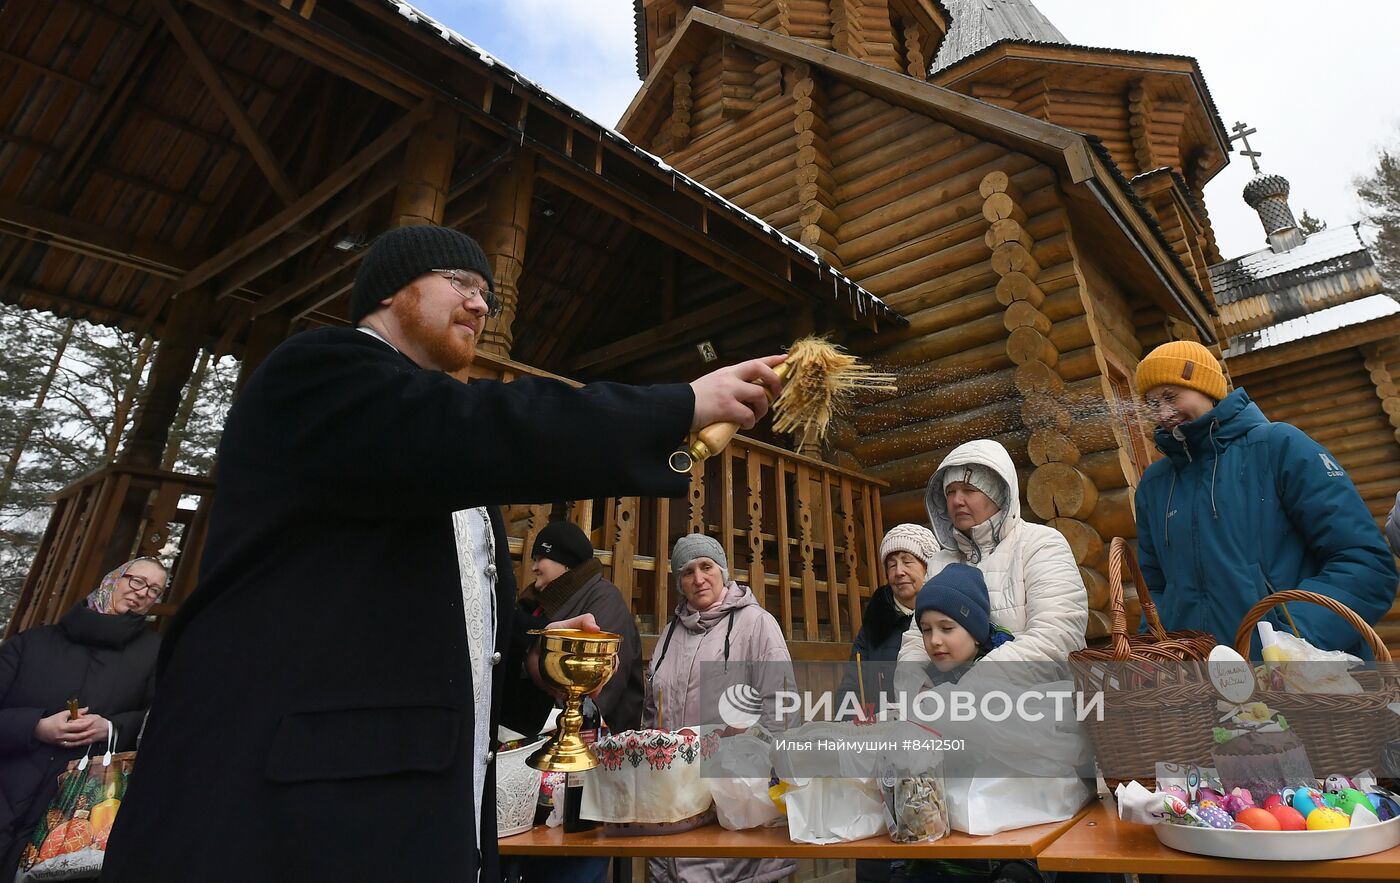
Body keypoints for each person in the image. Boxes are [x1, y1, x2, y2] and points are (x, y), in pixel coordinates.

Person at [101, 225, 787, 883]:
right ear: (390, 291)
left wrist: (533, 655)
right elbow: (481, 423)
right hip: (284, 812)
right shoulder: (320, 372)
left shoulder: (442, 453)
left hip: (420, 813)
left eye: (487, 291)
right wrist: (679, 404)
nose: (482, 302)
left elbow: (450, 617)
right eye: (460, 280)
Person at [1133, 341, 1398, 656]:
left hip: (1301, 676)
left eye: (1170, 397)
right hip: (1202, 685)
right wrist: (1150, 653)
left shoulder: (1279, 447)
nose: (1163, 413)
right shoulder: (1155, 484)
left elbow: (1364, 563)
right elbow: (1157, 590)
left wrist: (1293, 639)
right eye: (1152, 404)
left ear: (1206, 387)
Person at [642, 534, 795, 883]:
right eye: (687, 571)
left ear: (723, 571)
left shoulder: (756, 623)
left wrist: (755, 780)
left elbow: (781, 707)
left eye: (706, 567)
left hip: (733, 800)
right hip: (674, 801)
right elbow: (653, 712)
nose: (698, 579)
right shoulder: (668, 634)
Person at [0, 558, 164, 879]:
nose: (143, 593)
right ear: (112, 579)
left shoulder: (155, 655)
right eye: (136, 581)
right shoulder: (32, 643)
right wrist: (36, 726)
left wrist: (112, 728)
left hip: (74, 812)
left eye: (154, 590)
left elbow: (163, 718)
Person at [896, 439, 1087, 687]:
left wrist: (971, 688)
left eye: (969, 490)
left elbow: (1058, 637)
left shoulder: (1041, 544)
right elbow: (917, 636)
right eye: (950, 492)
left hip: (1039, 700)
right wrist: (915, 684)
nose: (956, 501)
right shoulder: (941, 561)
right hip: (954, 704)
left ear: (997, 493)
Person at [517, 520, 640, 883]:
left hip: (585, 771)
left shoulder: (602, 601)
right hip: (536, 769)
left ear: (567, 564)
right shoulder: (535, 606)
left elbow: (595, 692)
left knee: (574, 865)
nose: (534, 565)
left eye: (542, 557)